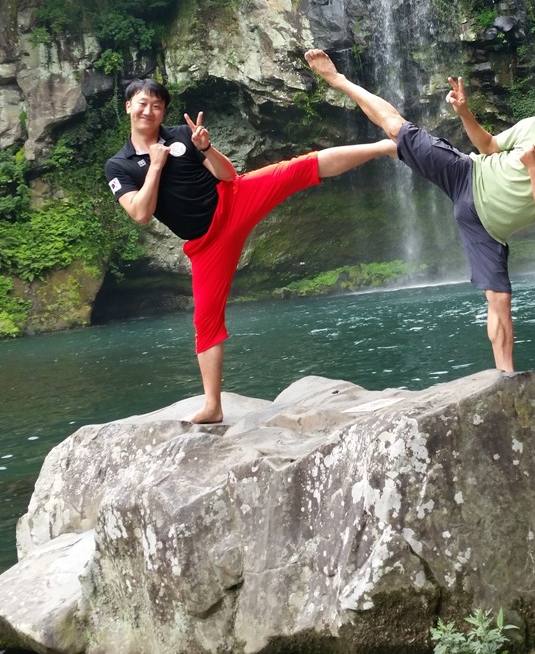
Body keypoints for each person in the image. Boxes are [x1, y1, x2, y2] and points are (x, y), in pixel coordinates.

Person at [104, 78, 396, 424]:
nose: (149, 111)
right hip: (206, 243)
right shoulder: (119, 165)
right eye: (142, 103)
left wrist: (206, 148)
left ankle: (384, 147)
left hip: (233, 200)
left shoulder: (183, 135)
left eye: (157, 105)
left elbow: (228, 175)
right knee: (206, 321)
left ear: (164, 111)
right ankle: (212, 406)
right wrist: (155, 165)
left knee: (298, 168)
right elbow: (140, 213)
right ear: (128, 106)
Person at [304, 48, 535, 373]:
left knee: (500, 300)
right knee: (395, 127)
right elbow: (488, 146)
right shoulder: (534, 126)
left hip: (488, 231)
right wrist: (463, 111)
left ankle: (505, 377)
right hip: (466, 173)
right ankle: (339, 81)